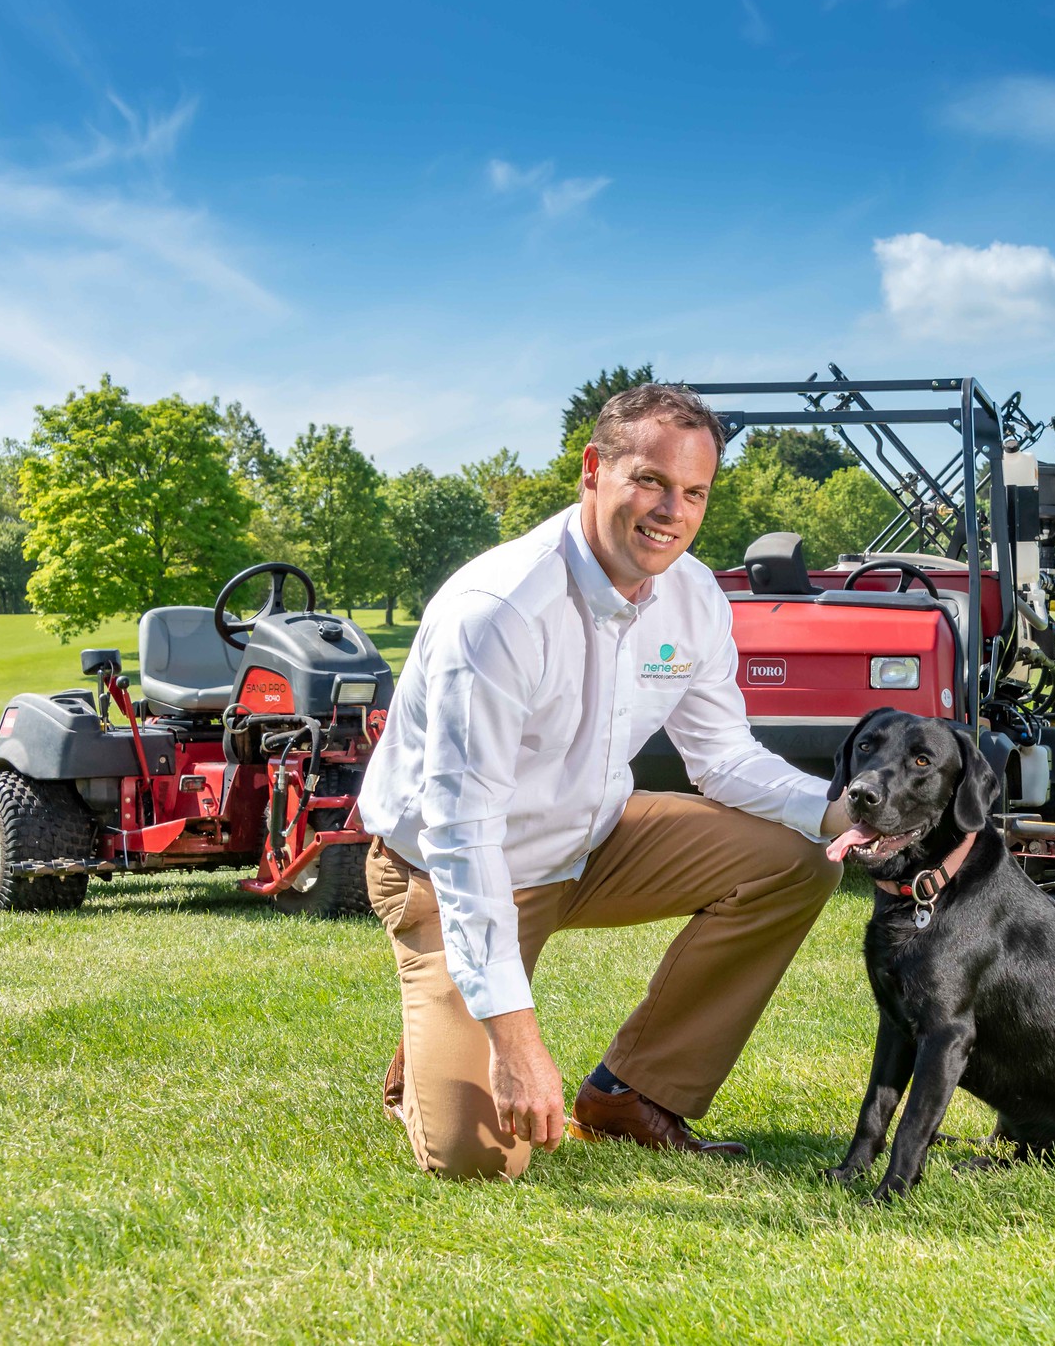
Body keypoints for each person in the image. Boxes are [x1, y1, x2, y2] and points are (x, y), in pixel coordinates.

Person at [357, 383, 845, 1179]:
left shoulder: (693, 596)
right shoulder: (500, 610)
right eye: (650, 480)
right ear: (593, 468)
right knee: (482, 1160)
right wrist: (516, 1041)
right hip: (452, 877)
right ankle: (440, 1042)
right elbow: (463, 832)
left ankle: (631, 1094)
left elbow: (721, 757)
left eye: (694, 492)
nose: (671, 512)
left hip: (591, 840)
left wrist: (834, 813)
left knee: (791, 862)